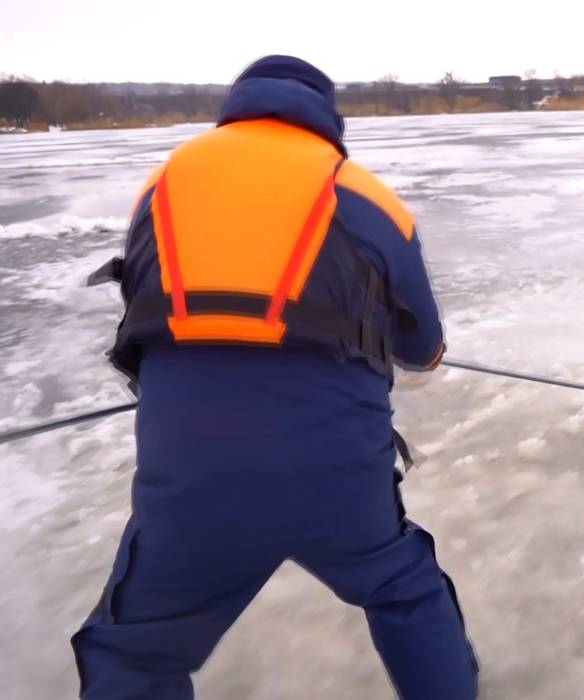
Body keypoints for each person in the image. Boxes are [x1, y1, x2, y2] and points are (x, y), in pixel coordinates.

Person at [72, 55, 478, 700]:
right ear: (326, 113)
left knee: (137, 651)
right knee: (403, 590)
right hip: (337, 473)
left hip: (189, 475)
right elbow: (422, 347)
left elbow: (148, 307)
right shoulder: (367, 194)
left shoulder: (162, 184)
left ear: (237, 104)